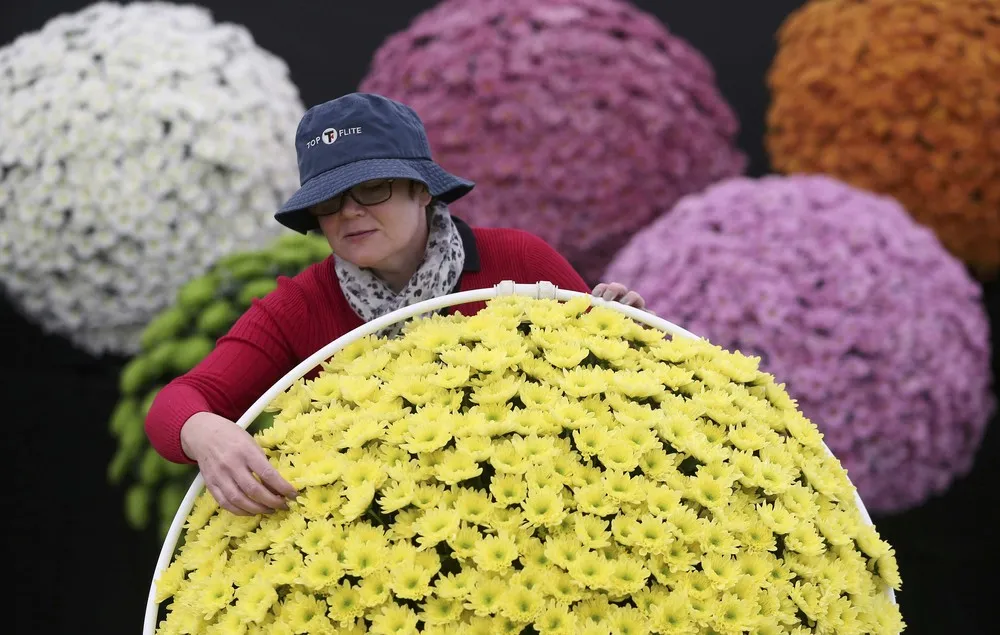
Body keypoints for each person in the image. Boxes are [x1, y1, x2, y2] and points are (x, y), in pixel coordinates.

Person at [144, 92, 647, 516]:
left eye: (372, 188)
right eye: (329, 200)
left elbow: (629, 381)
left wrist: (623, 332)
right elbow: (175, 405)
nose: (350, 213)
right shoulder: (299, 305)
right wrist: (205, 432)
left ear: (422, 189)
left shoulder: (517, 259)